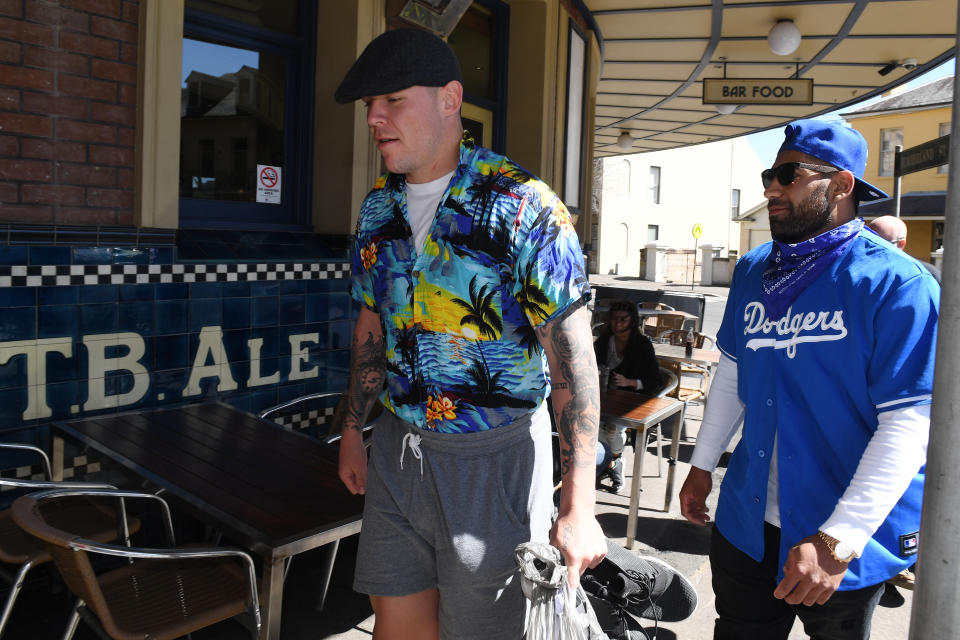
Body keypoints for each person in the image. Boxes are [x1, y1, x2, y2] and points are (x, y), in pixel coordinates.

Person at [333, 28, 607, 640]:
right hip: (399, 450)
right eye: (369, 106)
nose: (374, 118)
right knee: (396, 624)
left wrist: (579, 507)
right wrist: (353, 429)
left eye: (392, 100)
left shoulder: (523, 205)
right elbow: (371, 325)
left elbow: (572, 363)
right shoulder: (378, 209)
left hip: (496, 460)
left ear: (450, 99)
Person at [678, 119, 938, 640]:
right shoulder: (753, 269)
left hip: (837, 535)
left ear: (841, 186)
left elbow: (910, 422)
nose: (772, 187)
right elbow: (733, 372)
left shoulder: (899, 284)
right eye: (768, 176)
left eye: (788, 175)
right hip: (746, 522)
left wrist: (837, 540)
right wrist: (702, 465)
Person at [593, 300, 663, 492]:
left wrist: (631, 383)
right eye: (614, 319)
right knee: (590, 426)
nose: (618, 324)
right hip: (603, 397)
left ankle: (610, 462)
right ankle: (613, 463)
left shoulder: (642, 344)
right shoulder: (604, 341)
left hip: (632, 400)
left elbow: (656, 380)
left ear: (632, 321)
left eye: (623, 319)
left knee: (612, 429)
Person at [867, 214, 942, 283]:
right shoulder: (859, 272)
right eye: (867, 243)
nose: (874, 249)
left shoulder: (927, 274)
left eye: (883, 244)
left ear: (901, 244)